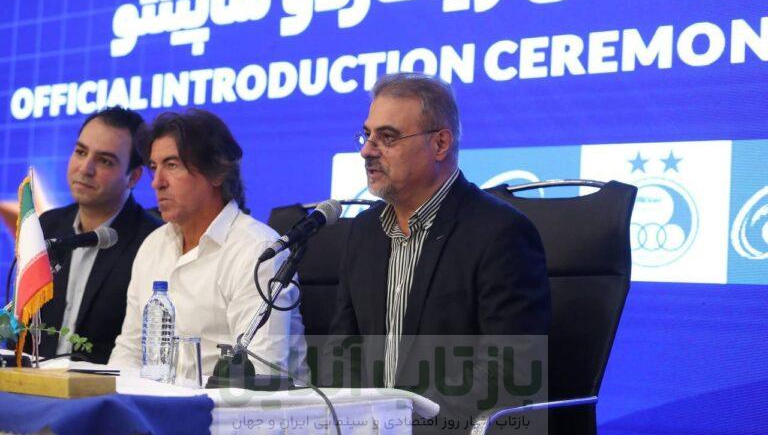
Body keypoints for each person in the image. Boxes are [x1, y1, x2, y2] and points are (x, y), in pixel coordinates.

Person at [325, 73, 551, 431]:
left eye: (387, 137)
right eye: (367, 135)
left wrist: (398, 423)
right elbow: (342, 350)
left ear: (440, 144)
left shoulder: (499, 233)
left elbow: (507, 373)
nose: (367, 150)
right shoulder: (364, 231)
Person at [110, 109, 306, 379]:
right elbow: (130, 349)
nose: (157, 182)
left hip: (238, 404)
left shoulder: (258, 250)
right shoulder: (152, 246)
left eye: (172, 165)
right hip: (156, 402)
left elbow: (259, 372)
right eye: (154, 167)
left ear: (217, 172)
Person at [35, 107, 162, 364]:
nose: (85, 168)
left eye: (105, 161)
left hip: (107, 387)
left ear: (134, 177)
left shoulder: (154, 241)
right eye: (81, 152)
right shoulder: (46, 227)